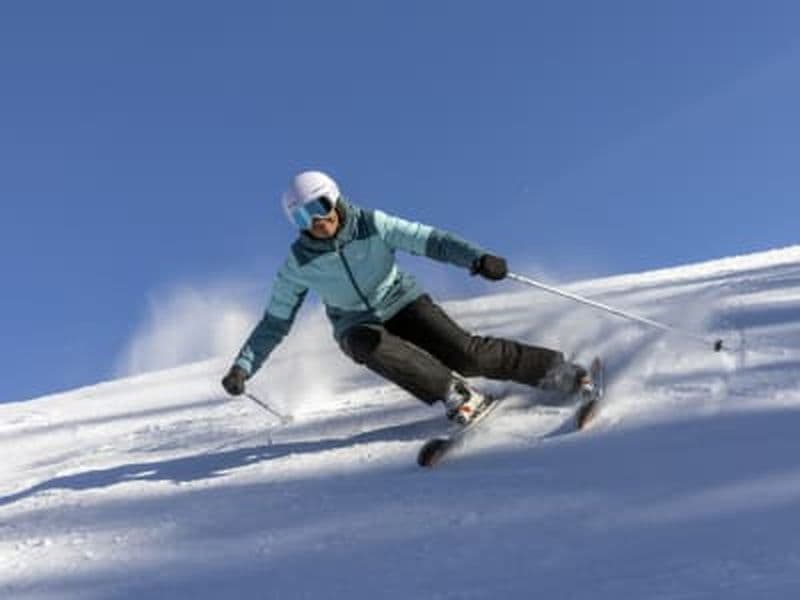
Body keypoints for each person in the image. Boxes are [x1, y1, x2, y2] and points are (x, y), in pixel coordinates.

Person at [221, 171, 590, 425]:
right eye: (302, 217)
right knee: (364, 343)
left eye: (318, 207)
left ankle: (559, 372)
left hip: (402, 301)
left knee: (468, 354)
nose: (315, 221)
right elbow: (275, 321)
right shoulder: (299, 263)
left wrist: (476, 258)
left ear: (332, 199)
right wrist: (244, 367)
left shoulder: (371, 224)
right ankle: (458, 396)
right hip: (357, 323)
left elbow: (429, 240)